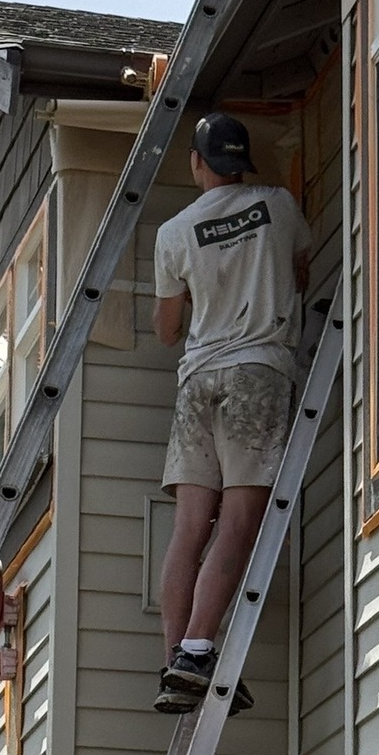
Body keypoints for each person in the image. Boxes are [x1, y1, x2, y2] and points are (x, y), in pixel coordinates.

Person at [152, 111, 311, 713]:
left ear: (197, 163)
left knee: (191, 526)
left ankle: (177, 661)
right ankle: (197, 651)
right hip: (258, 372)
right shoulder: (278, 204)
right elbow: (300, 269)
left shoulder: (173, 233)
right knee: (239, 523)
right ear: (242, 160)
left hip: (197, 381)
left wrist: (194, 292)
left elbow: (168, 331)